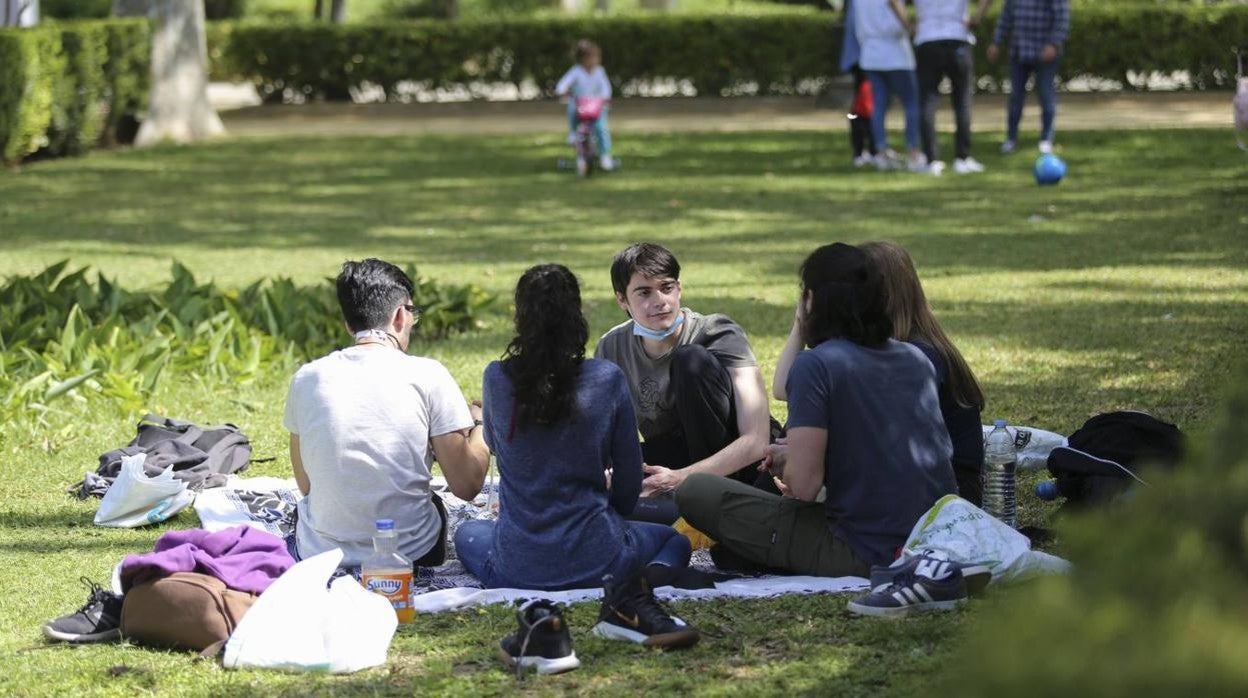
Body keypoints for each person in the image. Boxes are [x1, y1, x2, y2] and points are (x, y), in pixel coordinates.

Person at [455, 265, 698, 648]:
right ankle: (636, 591)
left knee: (467, 532)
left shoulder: (497, 378)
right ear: (577, 317)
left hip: (518, 565)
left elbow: (501, 447)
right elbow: (629, 483)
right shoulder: (605, 379)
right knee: (675, 540)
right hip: (603, 559)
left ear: (520, 319)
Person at [676, 243, 957, 576]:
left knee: (696, 490)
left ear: (809, 300)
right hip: (938, 537)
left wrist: (786, 460)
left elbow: (804, 488)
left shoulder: (817, 365)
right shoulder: (915, 358)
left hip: (866, 549)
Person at [283, 259, 490, 570]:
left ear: (348, 323)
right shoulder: (427, 374)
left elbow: (307, 486)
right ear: (399, 315)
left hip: (320, 552)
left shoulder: (307, 377)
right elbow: (467, 485)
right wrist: (481, 425)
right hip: (411, 552)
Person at [594, 243, 773, 522]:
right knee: (597, 469)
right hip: (677, 453)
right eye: (644, 292)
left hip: (742, 462)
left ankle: (714, 504)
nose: (659, 301)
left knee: (690, 361)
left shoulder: (718, 332)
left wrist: (678, 479)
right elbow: (602, 434)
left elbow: (758, 440)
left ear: (680, 289)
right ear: (621, 300)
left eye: (667, 287)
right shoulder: (612, 347)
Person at [859, 241, 986, 505]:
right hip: (924, 486)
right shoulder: (891, 348)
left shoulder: (918, 357)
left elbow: (886, 445)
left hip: (947, 497)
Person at [913, 0, 994, 174]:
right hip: (957, 37)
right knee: (962, 101)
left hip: (927, 39)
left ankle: (931, 159)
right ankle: (962, 157)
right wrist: (977, 18)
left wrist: (908, 24)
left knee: (928, 101)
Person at [987, 0, 1070, 154]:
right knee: (1015, 97)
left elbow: (1062, 18)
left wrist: (1054, 44)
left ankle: (1046, 139)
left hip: (1045, 52)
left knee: (1046, 94)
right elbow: (1006, 17)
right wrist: (996, 42)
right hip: (1019, 51)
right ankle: (1011, 139)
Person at [855, 0, 927, 173]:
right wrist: (909, 26)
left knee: (878, 104)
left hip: (871, 53)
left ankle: (881, 151)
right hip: (896, 54)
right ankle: (913, 151)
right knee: (910, 103)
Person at [555, 38, 614, 172]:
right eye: (589, 58)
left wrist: (604, 98)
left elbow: (606, 88)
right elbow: (562, 85)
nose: (592, 61)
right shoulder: (576, 71)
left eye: (595, 57)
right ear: (582, 59)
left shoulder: (599, 71)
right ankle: (574, 137)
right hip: (580, 106)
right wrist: (563, 92)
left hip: (596, 106)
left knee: (601, 129)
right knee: (572, 109)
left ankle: (605, 155)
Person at [839, 0, 877, 168]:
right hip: (864, 57)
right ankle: (863, 150)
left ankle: (867, 149)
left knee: (864, 107)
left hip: (863, 56)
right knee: (862, 108)